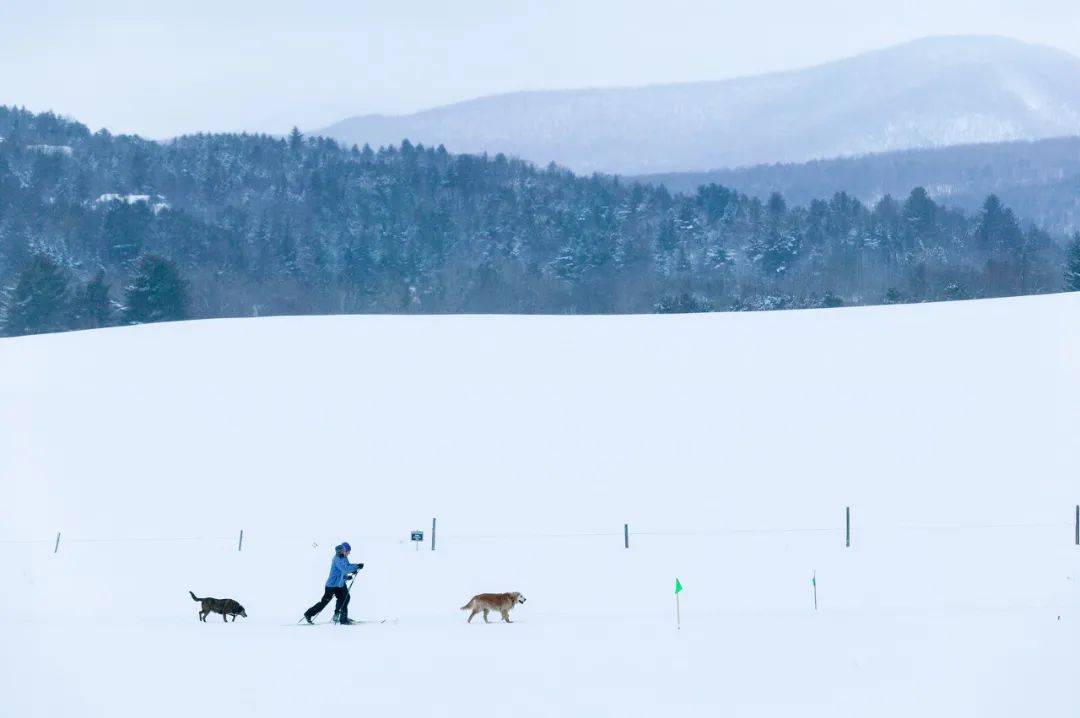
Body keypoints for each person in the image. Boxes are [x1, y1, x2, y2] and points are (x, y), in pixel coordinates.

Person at [303, 542, 363, 625]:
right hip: (331, 585)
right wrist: (356, 566)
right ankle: (308, 614)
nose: (349, 553)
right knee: (324, 602)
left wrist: (346, 576)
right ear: (343, 550)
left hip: (340, 584)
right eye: (348, 551)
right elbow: (345, 569)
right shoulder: (337, 558)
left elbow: (345, 568)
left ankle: (341, 617)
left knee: (345, 598)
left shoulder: (344, 557)